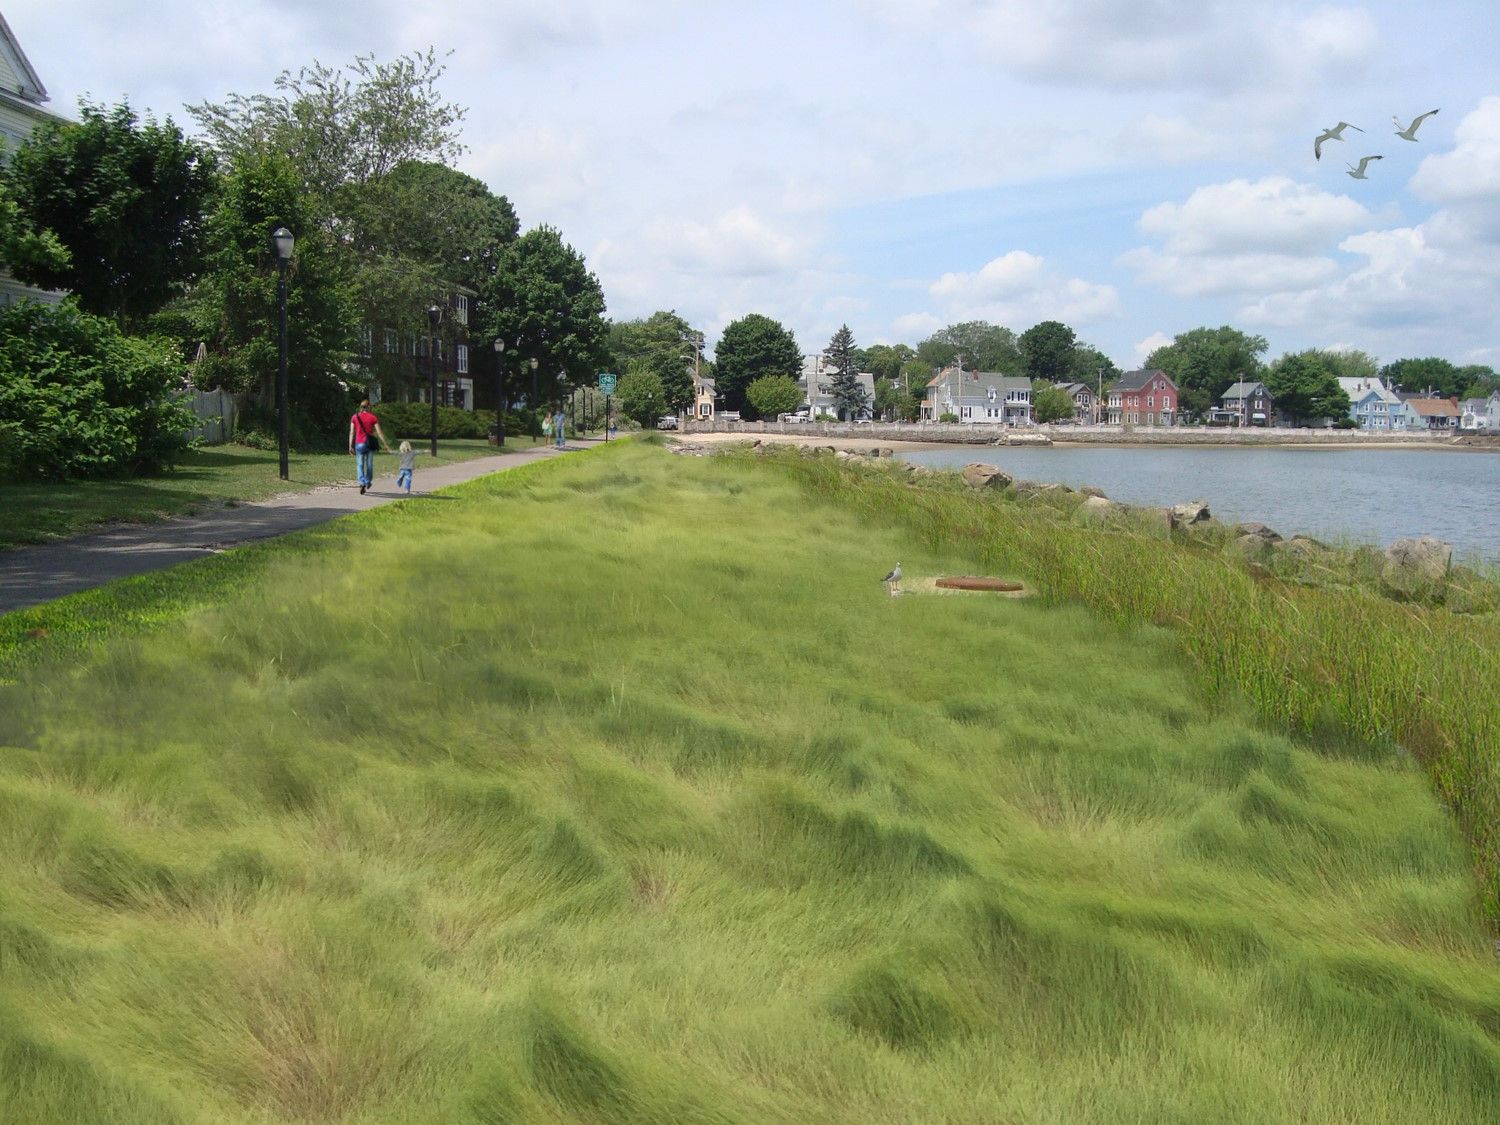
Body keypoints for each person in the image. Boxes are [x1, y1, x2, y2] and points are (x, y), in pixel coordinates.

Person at [348, 400, 387, 494]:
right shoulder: (373, 417)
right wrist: (385, 443)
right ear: (368, 407)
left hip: (359, 444)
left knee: (360, 464)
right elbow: (379, 432)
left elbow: (352, 432)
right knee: (369, 464)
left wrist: (350, 446)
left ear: (361, 407)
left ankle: (362, 482)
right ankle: (368, 481)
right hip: (369, 444)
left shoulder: (355, 417)